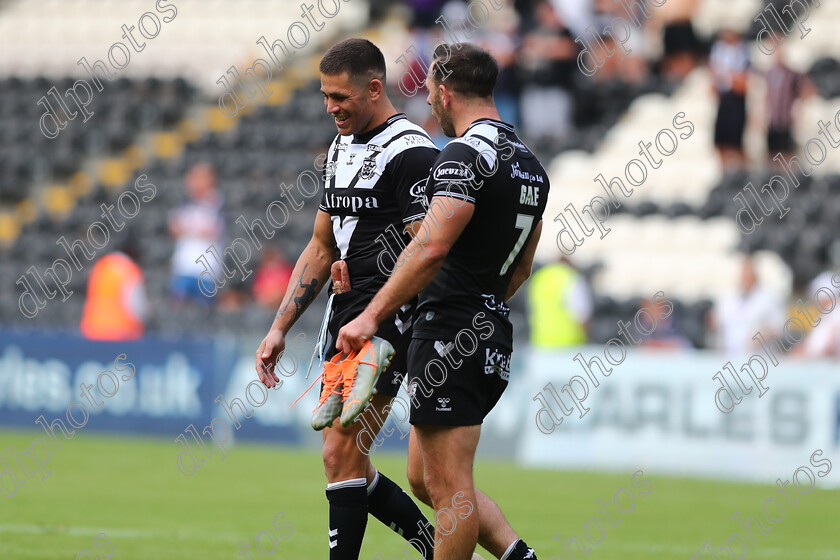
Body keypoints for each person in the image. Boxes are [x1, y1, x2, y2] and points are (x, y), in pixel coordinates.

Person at [337, 43, 546, 560]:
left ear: (447, 92)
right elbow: (520, 267)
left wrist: (371, 314)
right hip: (489, 328)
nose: (428, 101)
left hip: (451, 330)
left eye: (430, 91)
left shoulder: (464, 154)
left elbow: (430, 245)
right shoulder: (532, 166)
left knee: (449, 485)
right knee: (423, 477)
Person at [254, 38, 441, 560]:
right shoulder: (339, 148)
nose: (330, 107)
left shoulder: (412, 152)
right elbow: (321, 244)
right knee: (346, 459)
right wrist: (278, 328)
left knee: (340, 451)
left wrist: (381, 304)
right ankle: (441, 548)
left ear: (374, 88)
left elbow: (425, 247)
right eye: (324, 96)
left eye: (340, 96)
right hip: (345, 318)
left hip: (388, 320)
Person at [168, 162, 225, 303]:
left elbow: (212, 230)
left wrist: (187, 228)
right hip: (184, 267)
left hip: (206, 271)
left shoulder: (217, 203)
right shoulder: (185, 203)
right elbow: (173, 228)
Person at [712, 257, 785, 355]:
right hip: (730, 356)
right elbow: (717, 320)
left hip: (758, 357)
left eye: (748, 274)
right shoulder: (730, 297)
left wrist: (764, 336)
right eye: (743, 274)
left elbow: (779, 327)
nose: (745, 278)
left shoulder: (769, 298)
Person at [80, 238, 148, 341]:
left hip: (94, 329)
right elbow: (136, 305)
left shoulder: (101, 265)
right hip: (122, 332)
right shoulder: (130, 270)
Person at [528, 256, 592, 348]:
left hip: (541, 343)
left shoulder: (539, 277)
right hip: (569, 345)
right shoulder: (571, 277)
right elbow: (582, 313)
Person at [710, 29, 750, 169]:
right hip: (724, 102)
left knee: (737, 144)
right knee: (721, 143)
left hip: (737, 104)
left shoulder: (743, 53)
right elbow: (713, 87)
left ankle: (743, 173)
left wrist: (728, 76)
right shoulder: (718, 53)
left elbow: (743, 85)